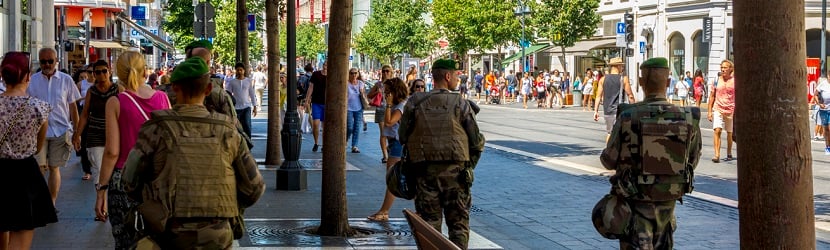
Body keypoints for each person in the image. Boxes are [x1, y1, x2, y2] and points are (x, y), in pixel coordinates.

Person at [121, 57, 265, 248]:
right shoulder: (228, 131)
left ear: (175, 88)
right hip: (217, 235)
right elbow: (254, 187)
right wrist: (227, 203)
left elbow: (129, 182)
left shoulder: (156, 128)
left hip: (168, 234)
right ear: (207, 90)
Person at [600, 57, 701, 250]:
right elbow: (692, 160)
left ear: (640, 82)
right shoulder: (688, 118)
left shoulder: (628, 116)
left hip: (634, 206)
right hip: (668, 205)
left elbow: (609, 160)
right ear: (669, 82)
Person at [399, 59, 485, 249]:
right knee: (459, 225)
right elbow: (476, 141)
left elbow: (402, 136)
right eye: (456, 75)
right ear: (448, 76)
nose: (457, 79)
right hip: (456, 175)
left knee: (429, 225)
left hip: (424, 174)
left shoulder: (415, 102)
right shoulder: (460, 103)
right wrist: (469, 166)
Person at [94, 51, 171, 249]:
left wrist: (101, 189)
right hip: (156, 179)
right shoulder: (163, 98)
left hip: (124, 180)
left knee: (125, 240)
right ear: (145, 71)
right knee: (156, 240)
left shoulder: (116, 102)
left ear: (118, 73)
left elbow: (112, 152)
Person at [0, 51, 58, 250]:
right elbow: (38, 146)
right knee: (22, 232)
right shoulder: (39, 108)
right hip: (25, 174)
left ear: (3, 75)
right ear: (27, 76)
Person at [27, 48, 82, 206]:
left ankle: (51, 203)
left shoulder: (66, 80)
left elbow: (73, 108)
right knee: (39, 168)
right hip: (37, 131)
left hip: (60, 130)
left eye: (50, 61)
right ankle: (39, 203)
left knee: (54, 167)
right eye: (43, 61)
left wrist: (77, 134)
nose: (47, 64)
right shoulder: (33, 80)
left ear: (56, 61)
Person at [73, 60, 122, 222]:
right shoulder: (91, 92)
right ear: (93, 74)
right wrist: (77, 135)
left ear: (109, 71)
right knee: (98, 170)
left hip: (114, 134)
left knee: (113, 170)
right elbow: (85, 114)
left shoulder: (118, 90)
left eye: (104, 71)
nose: (101, 75)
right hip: (95, 135)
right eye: (97, 72)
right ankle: (103, 206)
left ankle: (107, 203)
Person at [367, 77, 410, 222]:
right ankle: (384, 211)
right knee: (393, 177)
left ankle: (384, 211)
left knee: (393, 178)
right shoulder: (400, 105)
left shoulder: (400, 106)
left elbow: (389, 122)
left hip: (398, 143)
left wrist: (389, 105)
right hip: (394, 142)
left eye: (387, 92)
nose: (385, 94)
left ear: (394, 91)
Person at [594, 58, 636, 142]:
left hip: (608, 111)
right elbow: (630, 96)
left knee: (610, 133)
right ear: (618, 66)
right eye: (621, 66)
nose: (622, 68)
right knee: (624, 134)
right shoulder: (623, 79)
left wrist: (596, 111)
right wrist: (634, 108)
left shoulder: (603, 79)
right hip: (620, 111)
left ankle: (608, 152)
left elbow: (598, 96)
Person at [707, 60, 736, 163]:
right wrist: (709, 111)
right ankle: (717, 155)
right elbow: (712, 96)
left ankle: (729, 152)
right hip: (718, 108)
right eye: (722, 67)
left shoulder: (735, 81)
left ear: (730, 69)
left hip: (730, 109)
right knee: (717, 130)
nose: (723, 69)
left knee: (729, 133)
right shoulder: (716, 80)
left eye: (725, 67)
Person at [368, 65, 394, 162]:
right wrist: (376, 92)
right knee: (383, 133)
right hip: (381, 110)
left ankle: (389, 149)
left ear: (391, 72)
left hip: (392, 109)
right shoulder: (378, 84)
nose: (385, 73)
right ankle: (385, 155)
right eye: (383, 71)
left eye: (387, 71)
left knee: (392, 132)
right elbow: (369, 95)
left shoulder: (394, 83)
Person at [225, 63, 258, 139]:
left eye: (241, 70)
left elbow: (252, 94)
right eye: (238, 70)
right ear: (235, 71)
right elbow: (228, 94)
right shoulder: (232, 82)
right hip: (236, 108)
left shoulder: (248, 81)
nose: (239, 71)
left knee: (247, 125)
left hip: (246, 107)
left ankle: (248, 143)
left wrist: (255, 106)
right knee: (237, 127)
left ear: (244, 71)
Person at [73, 66, 94, 181]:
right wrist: (83, 98)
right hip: (84, 113)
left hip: (97, 115)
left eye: (94, 71)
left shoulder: (101, 84)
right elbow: (73, 99)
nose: (92, 74)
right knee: (84, 142)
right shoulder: (82, 84)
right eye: (89, 72)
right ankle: (87, 170)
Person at [305, 61, 328, 152]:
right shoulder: (316, 74)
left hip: (327, 104)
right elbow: (311, 87)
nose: (326, 66)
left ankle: (324, 144)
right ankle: (316, 143)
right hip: (316, 102)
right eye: (325, 64)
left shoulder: (332, 75)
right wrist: (307, 100)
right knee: (315, 124)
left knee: (325, 126)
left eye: (327, 65)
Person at [346, 68, 366, 153]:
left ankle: (354, 146)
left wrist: (362, 93)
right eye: (351, 73)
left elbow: (363, 95)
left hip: (358, 108)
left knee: (357, 127)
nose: (354, 75)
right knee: (349, 127)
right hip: (348, 108)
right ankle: (345, 140)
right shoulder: (346, 84)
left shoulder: (361, 83)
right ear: (349, 74)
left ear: (358, 74)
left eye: (355, 73)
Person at [813, 77, 830, 154]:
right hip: (823, 110)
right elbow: (815, 95)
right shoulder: (822, 84)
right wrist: (819, 104)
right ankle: (827, 147)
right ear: (828, 76)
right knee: (826, 129)